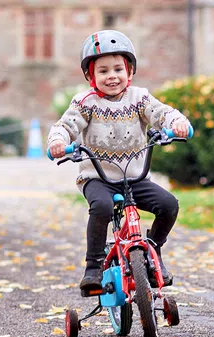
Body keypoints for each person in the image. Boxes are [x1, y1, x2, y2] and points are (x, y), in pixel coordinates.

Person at [47, 30, 192, 292]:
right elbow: (65, 126)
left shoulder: (140, 98)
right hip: (98, 178)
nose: (112, 76)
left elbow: (162, 113)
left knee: (169, 204)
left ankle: (153, 252)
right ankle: (93, 266)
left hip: (134, 177)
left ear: (130, 71)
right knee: (101, 207)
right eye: (103, 71)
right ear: (90, 77)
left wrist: (178, 123)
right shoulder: (84, 103)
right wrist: (58, 142)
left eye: (118, 69)